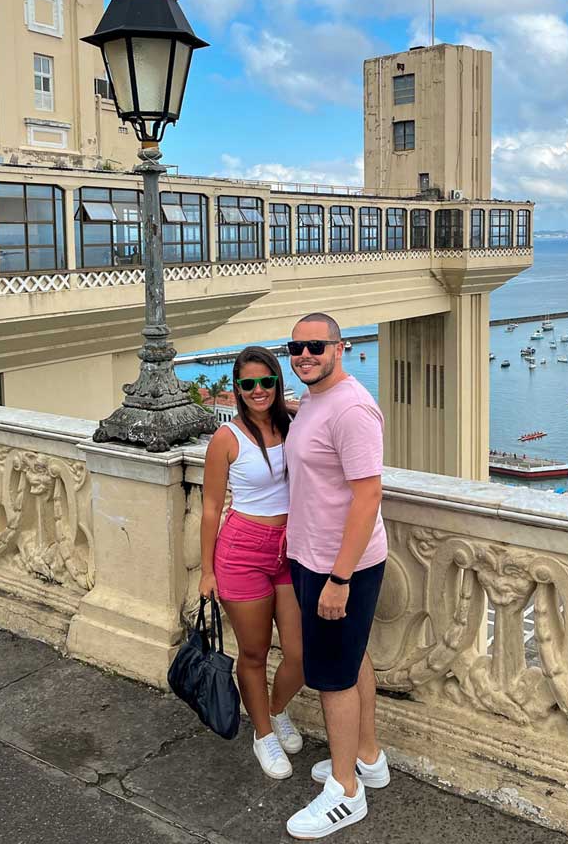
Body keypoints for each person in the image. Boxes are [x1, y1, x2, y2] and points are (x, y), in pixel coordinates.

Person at [283, 313, 389, 839]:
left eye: (316, 346)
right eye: (296, 347)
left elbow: (368, 494)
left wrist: (340, 578)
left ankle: (346, 791)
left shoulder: (351, 408)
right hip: (314, 556)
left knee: (331, 677)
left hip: (339, 567)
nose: (305, 355)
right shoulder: (315, 402)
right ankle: (367, 757)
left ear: (340, 348)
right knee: (353, 657)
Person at [199, 346, 304, 779]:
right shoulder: (228, 438)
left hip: (291, 548)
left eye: (266, 381)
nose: (258, 390)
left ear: (277, 383)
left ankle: (277, 710)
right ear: (238, 389)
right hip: (243, 550)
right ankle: (263, 733)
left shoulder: (293, 424)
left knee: (301, 654)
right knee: (255, 651)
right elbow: (210, 507)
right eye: (247, 384)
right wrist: (206, 570)